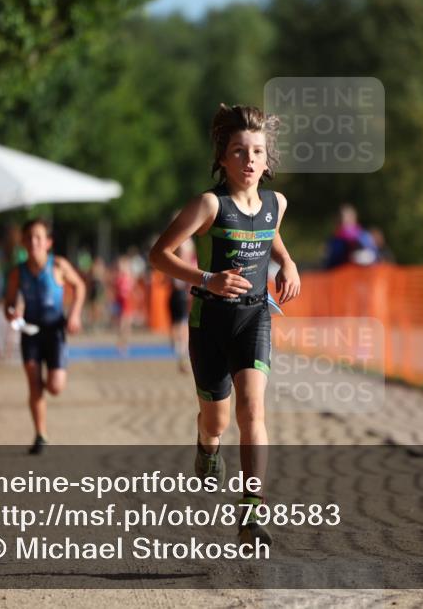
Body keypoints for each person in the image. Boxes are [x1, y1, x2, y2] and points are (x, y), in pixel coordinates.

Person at [149, 104, 301, 547]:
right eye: (239, 151)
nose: (249, 160)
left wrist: (289, 264)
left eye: (257, 152)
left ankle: (252, 512)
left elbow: (270, 235)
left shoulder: (276, 203)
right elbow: (159, 255)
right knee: (216, 420)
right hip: (210, 322)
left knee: (252, 410)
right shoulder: (209, 205)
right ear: (222, 158)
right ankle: (206, 442)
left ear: (267, 160)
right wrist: (207, 279)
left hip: (254, 317)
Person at [4, 218, 86, 454]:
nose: (34, 242)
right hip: (30, 332)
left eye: (38, 237)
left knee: (55, 387)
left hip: (55, 332)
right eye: (29, 238)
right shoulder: (17, 273)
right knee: (33, 384)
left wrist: (74, 315)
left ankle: (47, 383)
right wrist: (12, 313)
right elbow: (8, 304)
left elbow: (80, 286)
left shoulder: (58, 265)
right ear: (23, 242)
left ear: (48, 242)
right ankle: (40, 434)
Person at [169, 236, 199, 373]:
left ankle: (179, 353)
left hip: (180, 295)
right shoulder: (183, 264)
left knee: (179, 325)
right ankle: (180, 354)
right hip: (181, 295)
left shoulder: (176, 263)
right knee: (181, 325)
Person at [323, 204, 378, 269]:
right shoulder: (334, 240)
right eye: (340, 217)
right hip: (339, 271)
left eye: (347, 217)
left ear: (354, 218)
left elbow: (374, 255)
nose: (343, 220)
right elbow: (330, 262)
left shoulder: (363, 236)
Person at [113, 255, 136, 351]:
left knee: (128, 323)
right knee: (121, 323)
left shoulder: (129, 278)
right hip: (121, 302)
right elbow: (116, 291)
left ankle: (125, 342)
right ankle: (121, 342)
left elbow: (132, 290)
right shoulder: (119, 278)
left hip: (128, 302)